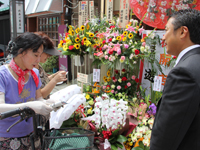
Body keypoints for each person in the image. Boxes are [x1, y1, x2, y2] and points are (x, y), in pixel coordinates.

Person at [150, 9, 200, 150]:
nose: (163, 37)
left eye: (166, 30)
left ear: (183, 32)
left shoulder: (184, 72)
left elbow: (167, 133)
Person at [0, 32, 57, 149]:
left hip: (31, 134)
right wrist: (30, 106)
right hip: (7, 136)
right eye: (36, 55)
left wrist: (47, 104)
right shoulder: (2, 75)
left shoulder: (34, 74)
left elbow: (38, 98)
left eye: (40, 55)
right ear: (22, 52)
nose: (39, 60)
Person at [34, 32, 67, 99]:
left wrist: (53, 76)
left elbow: (42, 81)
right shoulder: (31, 68)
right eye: (47, 54)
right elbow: (39, 95)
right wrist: (54, 80)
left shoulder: (37, 65)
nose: (49, 56)